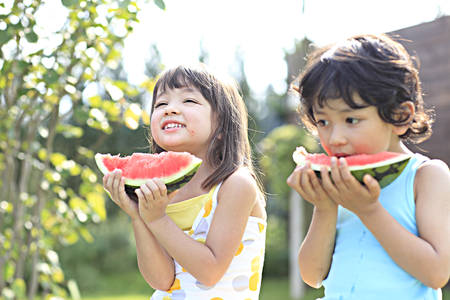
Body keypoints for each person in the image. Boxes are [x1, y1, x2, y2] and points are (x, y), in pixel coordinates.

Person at [286, 33, 450, 299]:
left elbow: (436, 273)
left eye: (351, 119)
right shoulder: (339, 181)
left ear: (399, 116)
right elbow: (313, 276)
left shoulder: (425, 176)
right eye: (323, 122)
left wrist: (369, 210)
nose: (335, 138)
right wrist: (325, 208)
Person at [102, 63, 266, 299]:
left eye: (188, 101)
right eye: (161, 104)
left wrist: (157, 219)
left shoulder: (236, 184)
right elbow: (162, 280)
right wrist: (138, 215)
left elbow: (210, 272)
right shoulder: (162, 192)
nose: (170, 109)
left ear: (221, 124)